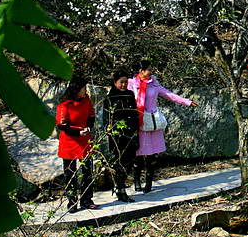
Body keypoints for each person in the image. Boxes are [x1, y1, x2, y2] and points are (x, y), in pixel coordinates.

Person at [128, 60, 198, 193]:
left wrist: (187, 102)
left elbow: (169, 95)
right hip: (139, 122)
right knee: (138, 153)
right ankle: (136, 181)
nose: (151, 71)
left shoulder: (154, 84)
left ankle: (148, 183)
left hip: (152, 122)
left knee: (152, 155)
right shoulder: (131, 85)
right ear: (141, 71)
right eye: (148, 69)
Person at [56, 77, 98, 213]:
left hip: (85, 140)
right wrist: (77, 133)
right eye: (83, 88)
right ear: (76, 90)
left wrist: (89, 128)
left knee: (87, 171)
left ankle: (87, 199)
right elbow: (63, 126)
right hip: (69, 141)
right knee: (70, 173)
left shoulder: (86, 101)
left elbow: (91, 117)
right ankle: (72, 201)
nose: (85, 91)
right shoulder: (64, 105)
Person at [104, 69, 139, 203]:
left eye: (126, 82)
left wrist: (135, 131)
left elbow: (135, 114)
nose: (124, 85)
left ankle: (120, 186)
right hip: (117, 136)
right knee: (120, 163)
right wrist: (111, 132)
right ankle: (120, 189)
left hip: (131, 134)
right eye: (121, 82)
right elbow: (107, 118)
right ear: (115, 82)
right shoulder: (110, 97)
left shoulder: (130, 94)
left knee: (130, 162)